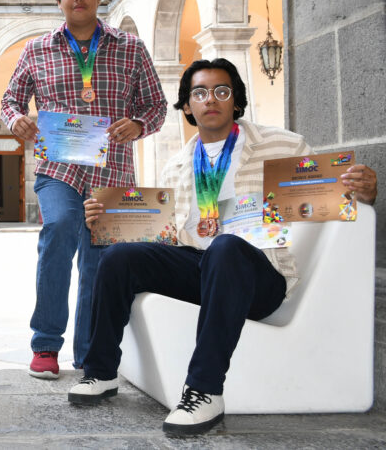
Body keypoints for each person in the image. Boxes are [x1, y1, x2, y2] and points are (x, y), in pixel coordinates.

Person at [68, 58, 378, 435]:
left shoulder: (283, 144)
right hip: (201, 268)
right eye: (199, 93)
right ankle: (100, 372)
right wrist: (108, 217)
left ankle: (204, 391)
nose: (210, 99)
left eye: (221, 91)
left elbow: (324, 194)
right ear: (187, 106)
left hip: (258, 274)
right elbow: (168, 236)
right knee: (119, 258)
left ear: (235, 100)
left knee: (226, 246)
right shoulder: (178, 164)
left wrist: (362, 190)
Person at [0, 0, 167, 379]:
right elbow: (10, 101)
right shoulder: (38, 49)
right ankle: (45, 345)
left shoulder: (129, 48)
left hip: (112, 174)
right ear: (59, 0)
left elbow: (157, 105)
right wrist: (17, 120)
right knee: (57, 231)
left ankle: (90, 351)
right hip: (58, 168)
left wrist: (139, 123)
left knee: (100, 260)